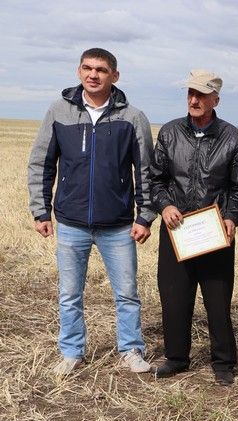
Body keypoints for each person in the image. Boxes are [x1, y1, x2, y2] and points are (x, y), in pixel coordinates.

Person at [28, 48, 155, 376]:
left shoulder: (132, 117)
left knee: (127, 293)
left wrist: (145, 217)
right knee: (69, 293)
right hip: (71, 222)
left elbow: (145, 170)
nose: (93, 74)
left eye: (101, 69)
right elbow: (42, 163)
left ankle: (131, 350)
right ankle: (71, 351)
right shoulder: (59, 111)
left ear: (115, 75)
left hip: (118, 226)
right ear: (79, 70)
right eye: (87, 68)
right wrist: (41, 211)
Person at [149, 70, 238, 386]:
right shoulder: (169, 132)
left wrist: (232, 216)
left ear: (215, 99)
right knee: (174, 297)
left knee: (218, 300)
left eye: (202, 95)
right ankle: (176, 358)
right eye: (191, 93)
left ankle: (223, 362)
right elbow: (156, 180)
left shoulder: (231, 137)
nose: (194, 99)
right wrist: (164, 205)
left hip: (215, 232)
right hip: (176, 231)